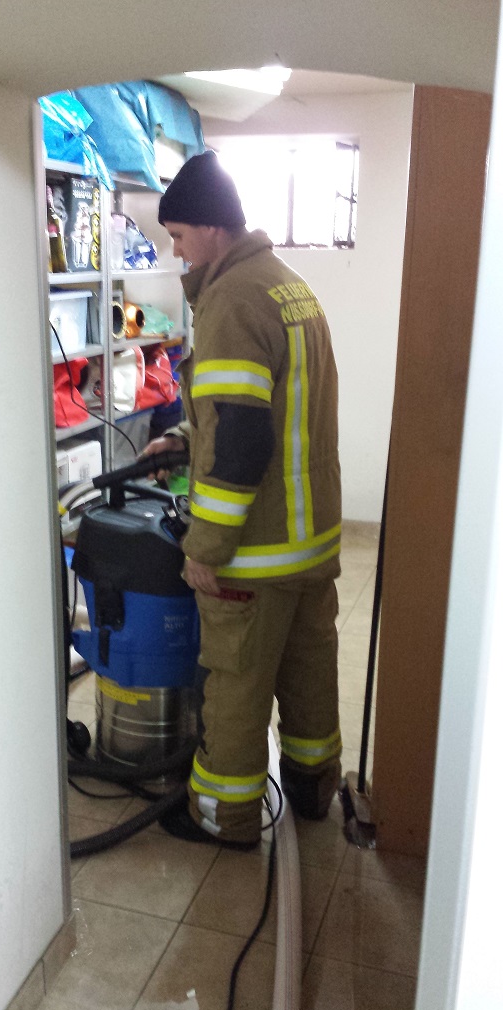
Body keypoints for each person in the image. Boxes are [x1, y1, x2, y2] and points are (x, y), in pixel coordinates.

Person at [144, 150, 342, 850]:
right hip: (310, 541)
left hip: (255, 553)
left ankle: (221, 817)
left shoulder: (230, 299)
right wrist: (184, 437)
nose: (176, 250)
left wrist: (205, 547)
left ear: (211, 228)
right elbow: (265, 410)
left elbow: (244, 439)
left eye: (178, 236)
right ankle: (314, 787)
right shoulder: (289, 286)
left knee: (234, 687)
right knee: (309, 670)